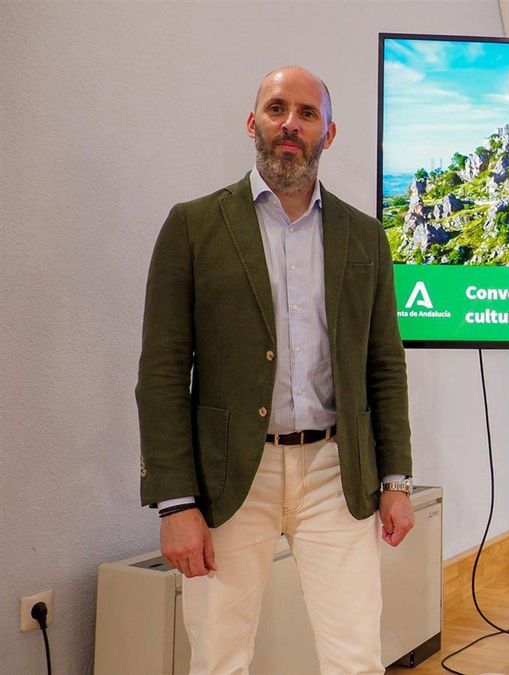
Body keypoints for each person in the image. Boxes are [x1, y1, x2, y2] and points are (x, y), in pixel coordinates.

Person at [135, 66, 414, 675]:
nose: (291, 124)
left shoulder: (365, 237)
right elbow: (160, 374)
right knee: (218, 654)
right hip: (231, 475)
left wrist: (396, 480)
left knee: (356, 656)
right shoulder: (193, 226)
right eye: (278, 108)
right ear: (252, 122)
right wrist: (174, 503)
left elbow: (383, 366)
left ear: (328, 133)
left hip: (335, 473)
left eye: (307, 114)